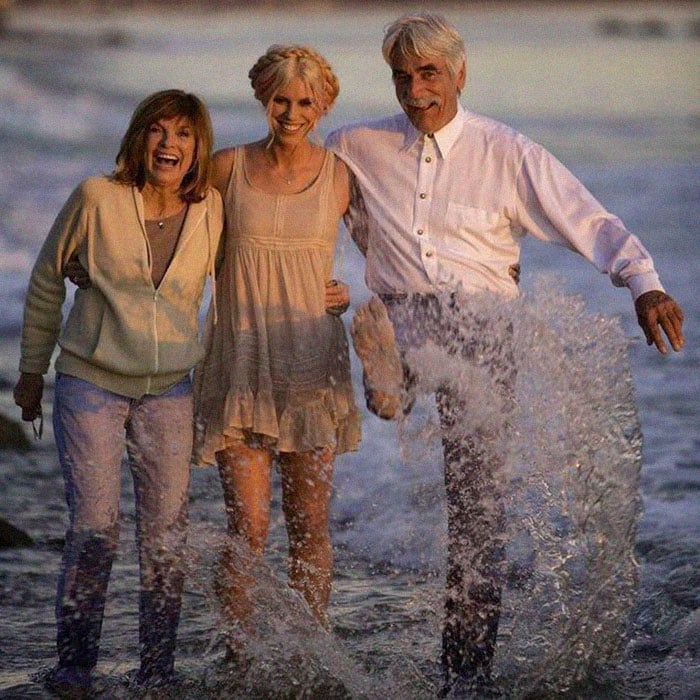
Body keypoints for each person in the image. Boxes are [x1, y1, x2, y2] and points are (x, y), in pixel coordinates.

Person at [326, 12, 685, 693]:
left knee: (477, 511)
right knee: (393, 366)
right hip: (403, 318)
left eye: (429, 74)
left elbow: (586, 215)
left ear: (459, 74)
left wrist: (644, 284)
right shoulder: (355, 145)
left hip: (484, 330)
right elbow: (290, 186)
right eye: (403, 78)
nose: (415, 91)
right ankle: (388, 381)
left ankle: (464, 676)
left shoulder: (506, 151)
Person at [13, 89, 223, 695]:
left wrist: (326, 294)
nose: (169, 144)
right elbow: (48, 280)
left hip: (170, 390)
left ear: (198, 147)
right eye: (157, 131)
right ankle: (75, 667)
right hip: (91, 382)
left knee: (166, 534)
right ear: (138, 138)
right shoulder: (96, 198)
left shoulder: (211, 207)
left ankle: (158, 667)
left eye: (183, 134)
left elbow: (249, 273)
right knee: (95, 528)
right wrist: (31, 373)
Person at [192, 45, 362, 652]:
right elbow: (167, 227)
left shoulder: (341, 174)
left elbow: (391, 255)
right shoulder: (225, 167)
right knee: (250, 528)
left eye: (305, 102)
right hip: (239, 363)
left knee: (311, 526)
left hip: (312, 367)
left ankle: (309, 652)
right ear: (264, 97)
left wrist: (349, 293)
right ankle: (238, 653)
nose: (292, 112)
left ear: (324, 106)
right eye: (281, 99)